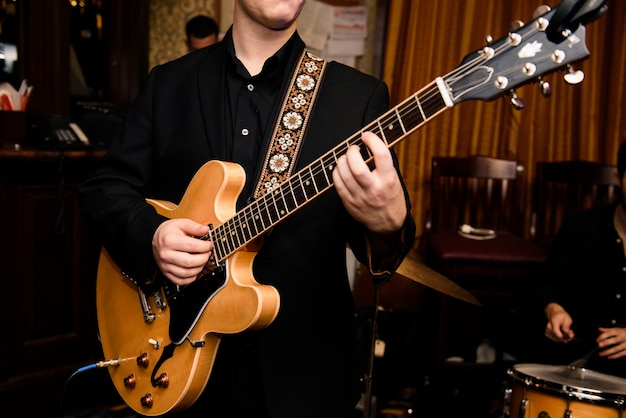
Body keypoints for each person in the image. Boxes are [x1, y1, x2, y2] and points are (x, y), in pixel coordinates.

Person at [79, 0, 416, 417]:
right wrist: (152, 236)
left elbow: (381, 249)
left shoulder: (356, 98)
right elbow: (104, 189)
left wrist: (388, 224)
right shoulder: (169, 85)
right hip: (183, 367)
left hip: (302, 379)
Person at [534, 140, 626, 378]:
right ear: (619, 178)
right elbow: (548, 285)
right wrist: (554, 311)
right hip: (577, 360)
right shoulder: (581, 226)